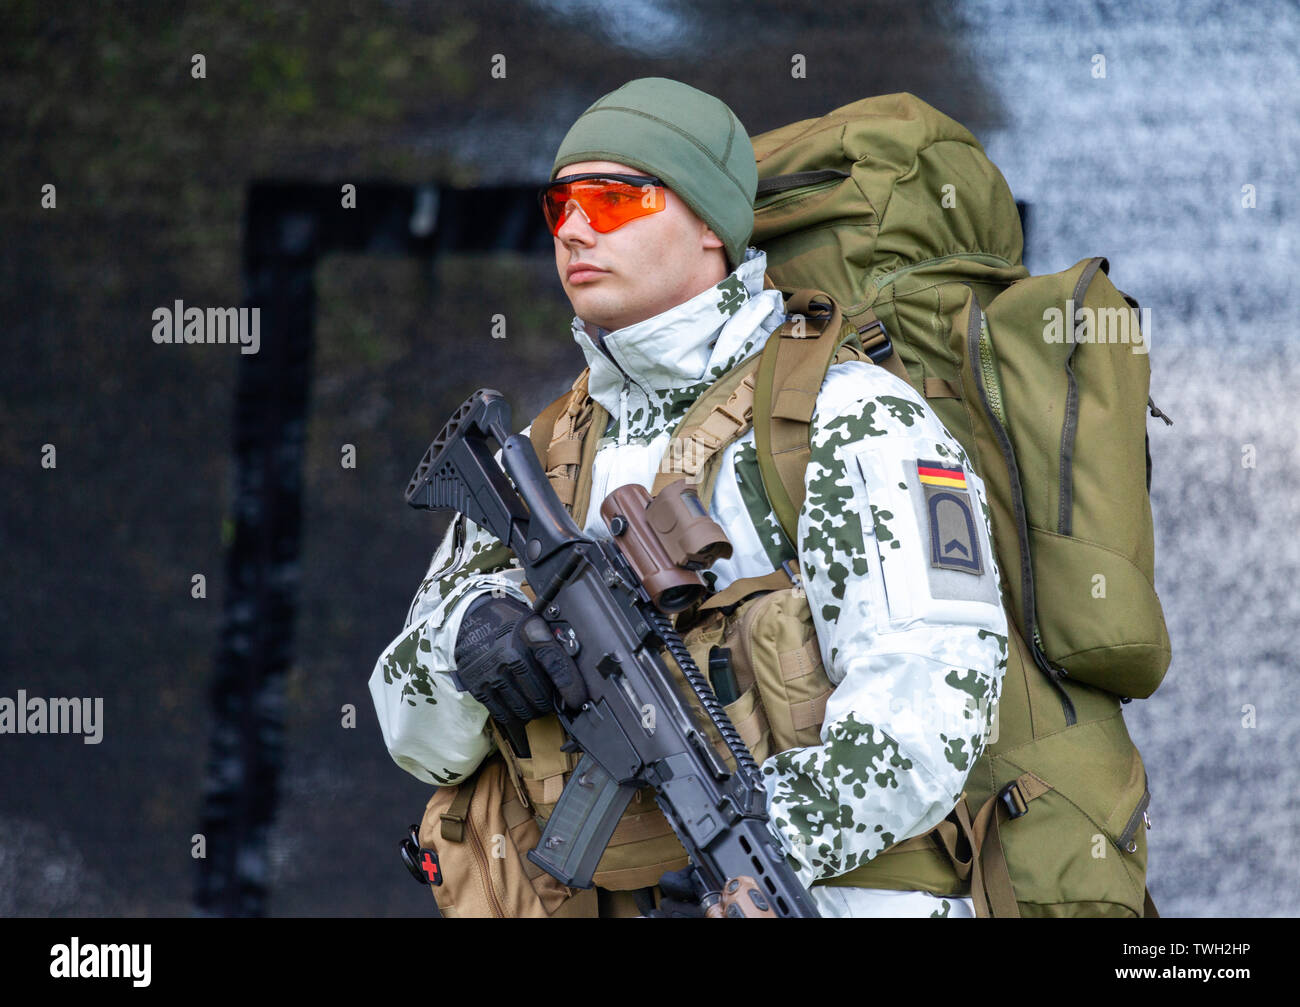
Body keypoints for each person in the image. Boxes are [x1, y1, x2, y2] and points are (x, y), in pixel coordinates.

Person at [369, 77, 1008, 918]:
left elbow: (934, 704)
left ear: (710, 223)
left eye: (615, 198)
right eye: (559, 205)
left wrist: (744, 852)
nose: (576, 228)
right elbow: (413, 739)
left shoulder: (849, 420)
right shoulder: (547, 451)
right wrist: (466, 641)